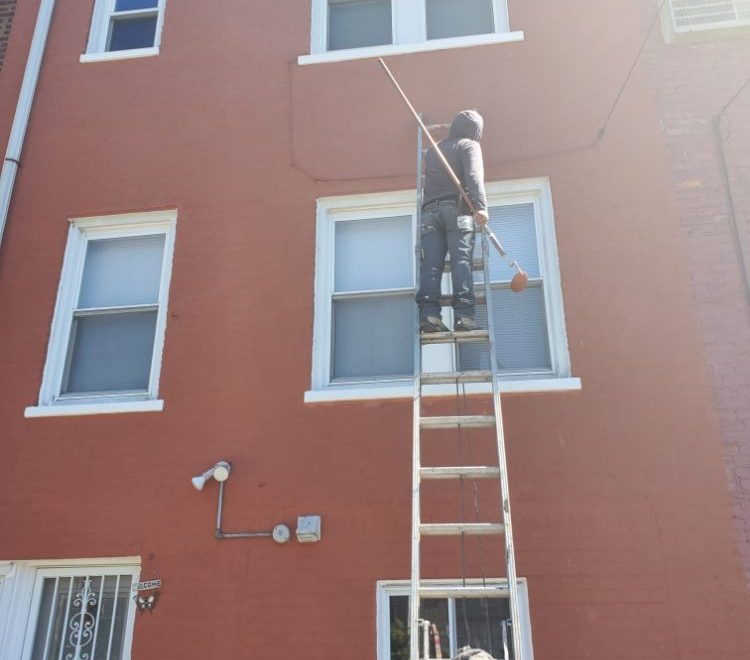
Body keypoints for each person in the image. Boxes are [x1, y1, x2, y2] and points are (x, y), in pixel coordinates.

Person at [417, 109, 489, 333]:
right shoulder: (469, 146)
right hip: (457, 211)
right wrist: (480, 207)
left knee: (430, 265)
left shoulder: (433, 150)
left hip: (429, 213)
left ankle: (429, 315)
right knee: (461, 263)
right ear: (475, 130)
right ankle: (464, 317)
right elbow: (474, 176)